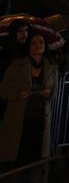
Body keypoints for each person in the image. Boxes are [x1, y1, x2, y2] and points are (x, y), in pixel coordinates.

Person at [0, 33, 58, 176]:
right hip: (19, 119)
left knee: (36, 161)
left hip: (40, 119)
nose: (37, 45)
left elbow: (54, 93)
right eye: (33, 43)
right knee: (17, 160)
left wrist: (48, 93)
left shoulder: (51, 67)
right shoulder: (17, 64)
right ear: (28, 46)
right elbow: (3, 90)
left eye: (41, 42)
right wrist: (18, 94)